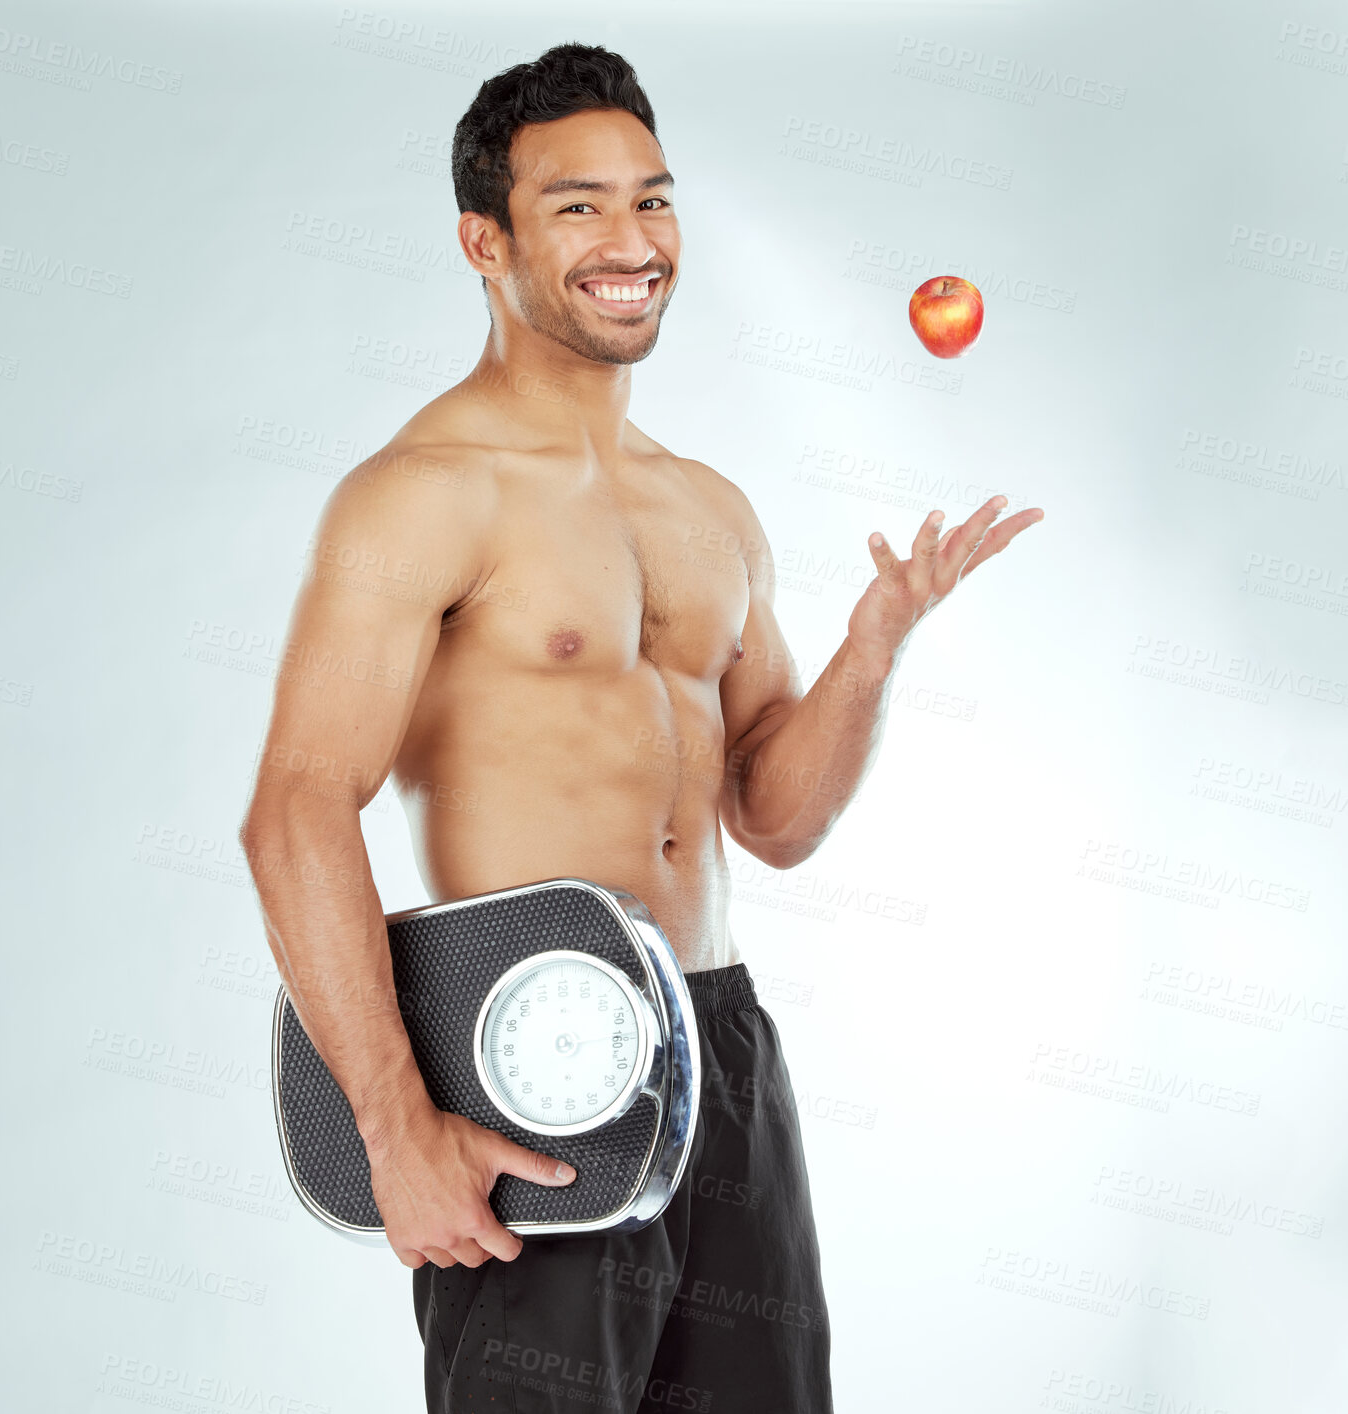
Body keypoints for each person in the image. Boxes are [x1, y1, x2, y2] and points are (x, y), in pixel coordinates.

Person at [240, 41, 1043, 1414]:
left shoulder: (708, 508)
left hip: (720, 1039)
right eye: (578, 206)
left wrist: (869, 648)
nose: (632, 242)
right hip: (530, 1050)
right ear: (481, 242)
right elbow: (297, 806)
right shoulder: (420, 493)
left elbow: (773, 818)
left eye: (652, 199)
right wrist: (395, 1128)